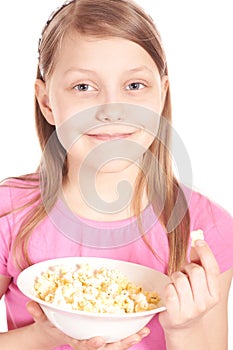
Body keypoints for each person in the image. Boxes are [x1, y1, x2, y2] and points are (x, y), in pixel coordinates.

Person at [0, 0, 232, 349]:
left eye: (135, 86)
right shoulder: (9, 213)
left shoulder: (206, 228)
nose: (112, 110)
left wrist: (184, 330)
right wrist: (43, 335)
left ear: (162, 93)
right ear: (47, 102)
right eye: (83, 87)